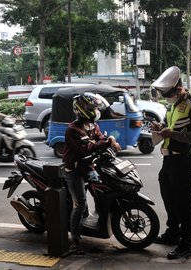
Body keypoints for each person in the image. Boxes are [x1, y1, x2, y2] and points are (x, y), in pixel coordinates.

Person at [151, 66, 191, 260]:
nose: (167, 97)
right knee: (169, 198)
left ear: (178, 89)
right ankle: (173, 233)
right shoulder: (173, 105)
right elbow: (172, 127)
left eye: (169, 94)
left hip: (182, 162)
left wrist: (172, 134)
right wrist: (161, 128)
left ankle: (186, 245)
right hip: (169, 160)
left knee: (185, 205)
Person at [62, 93, 121, 255]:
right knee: (79, 204)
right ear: (81, 109)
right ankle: (74, 240)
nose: (95, 111)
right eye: (91, 108)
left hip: (88, 167)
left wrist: (110, 141)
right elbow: (86, 148)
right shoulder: (72, 130)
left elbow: (99, 139)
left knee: (102, 192)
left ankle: (96, 220)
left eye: (95, 108)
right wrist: (104, 142)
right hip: (74, 171)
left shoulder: (92, 126)